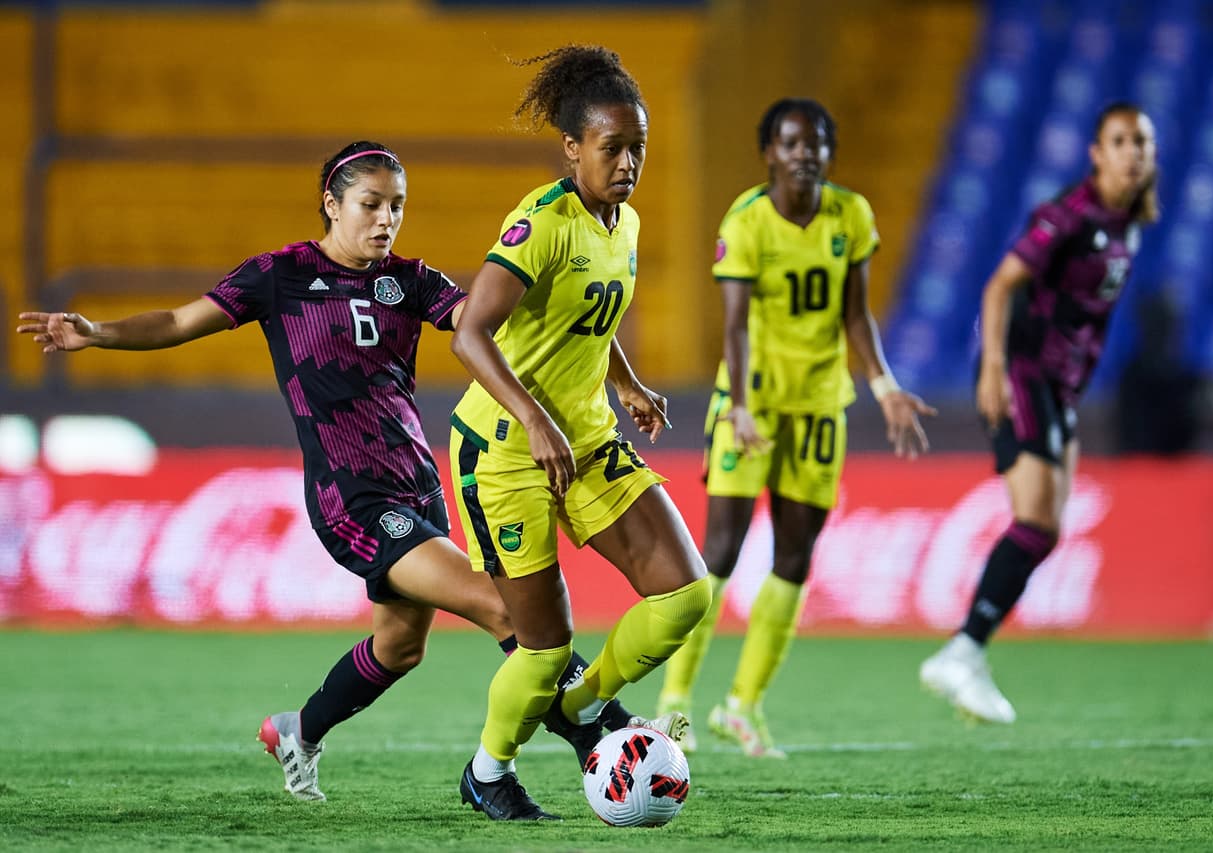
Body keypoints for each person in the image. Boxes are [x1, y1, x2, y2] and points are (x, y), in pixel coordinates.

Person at [15, 140, 642, 803]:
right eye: (370, 204)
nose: (385, 220)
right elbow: (177, 319)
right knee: (500, 607)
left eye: (396, 206)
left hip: (420, 488)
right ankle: (599, 738)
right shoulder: (278, 275)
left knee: (400, 647)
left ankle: (298, 729)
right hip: (354, 499)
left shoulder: (411, 280)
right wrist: (99, 332)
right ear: (331, 204)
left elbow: (484, 326)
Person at [448, 45, 710, 822]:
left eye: (639, 148)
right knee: (543, 648)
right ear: (573, 146)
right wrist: (532, 416)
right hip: (504, 450)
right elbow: (470, 332)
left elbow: (588, 320)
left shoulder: (623, 221)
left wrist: (623, 378)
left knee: (685, 594)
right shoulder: (541, 223)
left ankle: (588, 706)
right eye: (613, 148)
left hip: (588, 439)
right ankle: (488, 772)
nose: (629, 163)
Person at [652, 98, 936, 758]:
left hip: (817, 404)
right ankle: (676, 704)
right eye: (790, 142)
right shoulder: (747, 222)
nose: (804, 153)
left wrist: (885, 385)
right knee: (718, 549)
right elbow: (735, 325)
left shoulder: (851, 215)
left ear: (828, 153)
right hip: (751, 403)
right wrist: (744, 405)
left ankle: (743, 705)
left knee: (796, 554)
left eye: (815, 143)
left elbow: (856, 314)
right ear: (769, 153)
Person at [919, 101, 1159, 723]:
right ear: (1096, 153)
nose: (1134, 151)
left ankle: (967, 650)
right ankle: (962, 651)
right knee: (1034, 518)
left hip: (1060, 384)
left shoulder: (1130, 222)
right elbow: (1000, 285)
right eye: (1121, 140)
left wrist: (1073, 389)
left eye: (1142, 141)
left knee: (1046, 528)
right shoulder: (1068, 216)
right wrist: (995, 366)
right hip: (1023, 370)